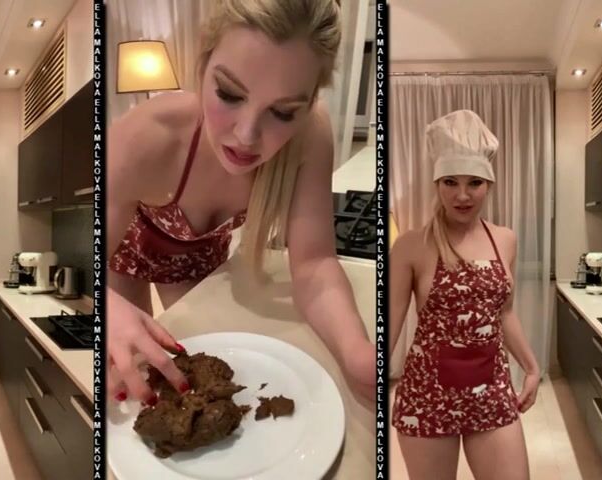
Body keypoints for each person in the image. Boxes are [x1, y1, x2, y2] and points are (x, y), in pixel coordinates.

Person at [106, 0, 375, 406]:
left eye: (283, 112)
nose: (247, 135)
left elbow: (314, 264)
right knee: (130, 383)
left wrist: (357, 354)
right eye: (229, 94)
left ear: (311, 102)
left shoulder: (310, 139)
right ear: (203, 64)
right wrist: (110, 309)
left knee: (206, 375)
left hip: (199, 262)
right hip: (120, 258)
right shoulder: (147, 136)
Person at [389, 110, 540, 480]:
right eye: (450, 182)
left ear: (489, 185)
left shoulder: (505, 240)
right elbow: (388, 325)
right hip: (427, 394)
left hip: (492, 388)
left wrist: (532, 367)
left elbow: (504, 313)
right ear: (437, 184)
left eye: (474, 183)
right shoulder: (412, 246)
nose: (462, 195)